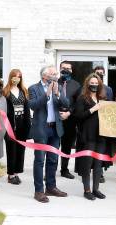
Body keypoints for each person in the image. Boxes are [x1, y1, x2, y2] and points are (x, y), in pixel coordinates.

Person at [29, 65, 69, 203]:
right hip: (41, 129)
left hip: (55, 129)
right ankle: (39, 191)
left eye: (56, 74)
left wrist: (57, 94)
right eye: (53, 73)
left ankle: (51, 187)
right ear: (44, 75)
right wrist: (47, 94)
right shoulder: (34, 88)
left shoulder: (58, 87)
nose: (56, 75)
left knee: (53, 160)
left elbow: (66, 104)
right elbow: (33, 105)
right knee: (40, 161)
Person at [74, 73, 109, 200]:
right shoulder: (82, 98)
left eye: (96, 83)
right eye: (92, 83)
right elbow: (78, 116)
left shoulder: (103, 98)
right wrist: (93, 109)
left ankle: (96, 189)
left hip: (101, 135)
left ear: (99, 85)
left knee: (98, 164)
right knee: (87, 164)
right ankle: (87, 190)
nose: (94, 85)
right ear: (87, 84)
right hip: (87, 135)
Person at [3, 69, 31, 185]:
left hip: (22, 124)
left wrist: (28, 124)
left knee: (20, 149)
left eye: (19, 76)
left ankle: (17, 172)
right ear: (11, 77)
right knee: (11, 149)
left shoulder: (23, 90)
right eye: (15, 76)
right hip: (10, 124)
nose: (17, 78)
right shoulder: (5, 92)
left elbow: (27, 108)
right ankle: (10, 175)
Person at [58, 61, 81, 179]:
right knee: (53, 145)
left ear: (71, 71)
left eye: (68, 68)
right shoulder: (54, 83)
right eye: (63, 68)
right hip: (55, 119)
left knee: (66, 146)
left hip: (70, 120)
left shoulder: (76, 85)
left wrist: (68, 113)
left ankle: (64, 169)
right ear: (60, 69)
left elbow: (78, 103)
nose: (66, 70)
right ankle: (50, 170)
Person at [94, 65, 115, 183]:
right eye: (97, 72)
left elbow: (111, 105)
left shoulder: (108, 89)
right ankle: (92, 169)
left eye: (102, 73)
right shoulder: (88, 87)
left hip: (104, 121)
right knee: (92, 147)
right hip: (91, 121)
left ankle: (100, 172)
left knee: (102, 147)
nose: (99, 74)